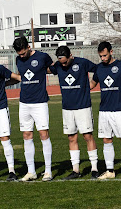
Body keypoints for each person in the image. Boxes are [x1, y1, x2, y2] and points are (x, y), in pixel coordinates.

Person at [50, 46, 99, 180]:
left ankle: (94, 168)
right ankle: (75, 170)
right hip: (67, 108)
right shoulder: (58, 66)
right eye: (61, 62)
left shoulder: (82, 63)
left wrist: (93, 83)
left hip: (83, 106)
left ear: (71, 56)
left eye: (65, 62)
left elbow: (99, 69)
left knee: (87, 136)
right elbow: (46, 68)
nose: (63, 64)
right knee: (72, 138)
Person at [90, 41, 121, 180]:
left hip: (119, 109)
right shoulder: (99, 68)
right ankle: (110, 170)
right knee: (106, 140)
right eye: (100, 56)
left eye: (104, 55)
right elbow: (93, 82)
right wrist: (81, 88)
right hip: (104, 110)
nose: (103, 58)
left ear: (111, 52)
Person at [13, 36, 53, 182]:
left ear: (29, 47)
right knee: (26, 135)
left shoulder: (43, 57)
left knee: (43, 134)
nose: (21, 56)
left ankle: (48, 171)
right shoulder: (18, 60)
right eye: (19, 54)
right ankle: (31, 171)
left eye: (23, 53)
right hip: (24, 103)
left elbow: (53, 68)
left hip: (40, 102)